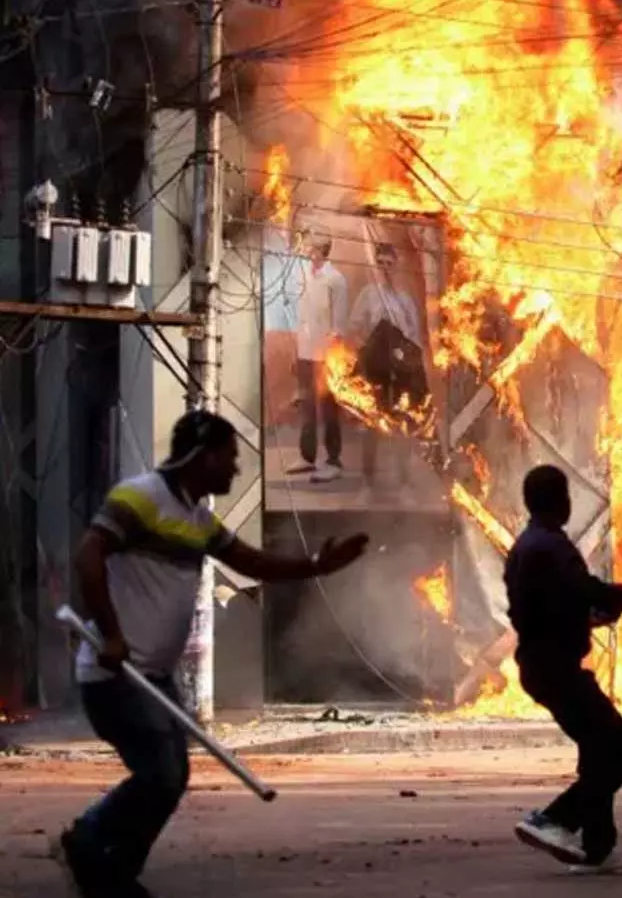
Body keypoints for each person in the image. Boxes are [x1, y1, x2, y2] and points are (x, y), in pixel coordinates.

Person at [55, 410, 370, 898]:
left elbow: (253, 562)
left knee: (171, 776)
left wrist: (316, 566)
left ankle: (109, 866)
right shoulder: (139, 498)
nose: (236, 468)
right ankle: (92, 847)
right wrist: (112, 635)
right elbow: (88, 556)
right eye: (229, 457)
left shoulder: (199, 520)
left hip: (155, 676)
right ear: (203, 457)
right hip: (117, 674)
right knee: (161, 774)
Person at [507, 465, 622, 875]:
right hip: (556, 669)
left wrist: (584, 618)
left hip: (542, 664)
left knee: (597, 750)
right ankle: (554, 820)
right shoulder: (551, 546)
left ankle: (597, 849)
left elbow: (541, 608)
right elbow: (586, 589)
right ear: (562, 500)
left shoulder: (525, 546)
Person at [349, 242, 426, 499]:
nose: (384, 268)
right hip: (376, 368)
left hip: (400, 369)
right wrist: (367, 350)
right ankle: (367, 484)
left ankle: (404, 484)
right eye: (380, 263)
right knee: (371, 425)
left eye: (389, 264)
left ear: (396, 266)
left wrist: (405, 359)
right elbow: (355, 326)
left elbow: (414, 335)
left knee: (402, 423)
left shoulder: (405, 300)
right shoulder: (368, 295)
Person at [287, 227, 349, 483]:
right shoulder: (303, 275)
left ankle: (333, 461)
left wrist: (330, 361)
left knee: (328, 408)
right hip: (305, 351)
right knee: (306, 406)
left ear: (322, 249)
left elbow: (338, 326)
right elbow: (301, 317)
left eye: (311, 244)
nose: (306, 247)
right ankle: (307, 456)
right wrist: (297, 350)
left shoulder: (336, 280)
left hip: (326, 357)